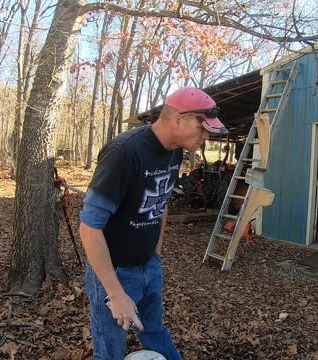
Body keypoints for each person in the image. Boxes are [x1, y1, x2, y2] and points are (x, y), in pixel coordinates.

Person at [79, 87, 228, 360]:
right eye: (203, 129)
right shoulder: (124, 153)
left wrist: (155, 255)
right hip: (115, 272)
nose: (206, 137)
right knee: (110, 350)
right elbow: (89, 226)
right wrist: (115, 293)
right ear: (178, 120)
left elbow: (162, 201)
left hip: (149, 264)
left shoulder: (175, 151)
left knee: (154, 331)